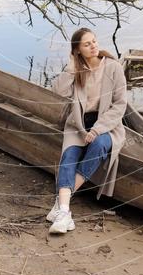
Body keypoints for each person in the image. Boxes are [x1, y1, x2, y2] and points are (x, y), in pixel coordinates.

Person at [46, 27, 127, 234]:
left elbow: (119, 105)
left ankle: (61, 205)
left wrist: (98, 129)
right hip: (78, 125)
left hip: (108, 125)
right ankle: (65, 212)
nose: (93, 46)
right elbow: (58, 92)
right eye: (87, 44)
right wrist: (71, 67)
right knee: (69, 156)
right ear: (77, 50)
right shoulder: (76, 70)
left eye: (94, 41)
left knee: (99, 145)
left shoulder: (113, 68)